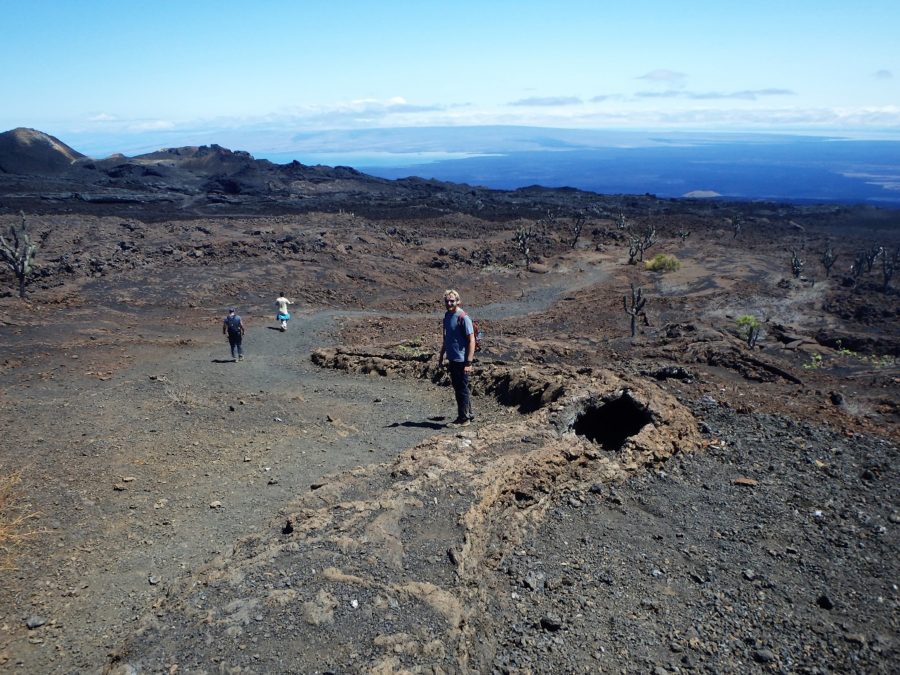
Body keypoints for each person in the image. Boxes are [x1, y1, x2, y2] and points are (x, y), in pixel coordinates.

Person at [438, 289, 475, 426]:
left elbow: (471, 340)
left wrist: (469, 362)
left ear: (458, 301)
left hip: (462, 359)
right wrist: (441, 356)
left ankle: (463, 419)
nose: (449, 303)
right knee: (460, 387)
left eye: (452, 301)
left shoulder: (463, 317)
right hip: (452, 358)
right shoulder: (447, 316)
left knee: (461, 389)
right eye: (447, 301)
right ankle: (468, 414)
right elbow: (446, 338)